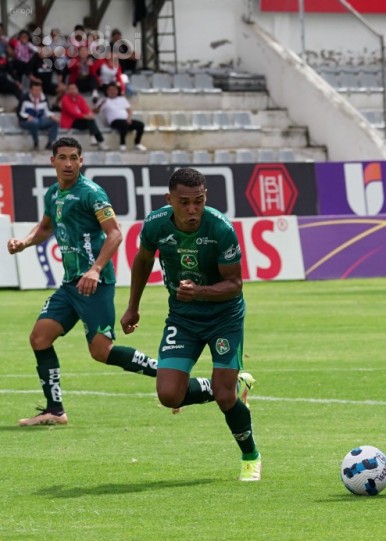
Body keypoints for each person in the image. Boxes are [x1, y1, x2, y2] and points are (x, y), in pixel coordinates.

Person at [6, 137, 162, 426]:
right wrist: (24, 242)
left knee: (101, 352)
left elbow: (115, 234)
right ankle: (55, 410)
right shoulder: (53, 194)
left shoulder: (92, 193)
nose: (68, 163)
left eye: (74, 157)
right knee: (39, 338)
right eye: (62, 157)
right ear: (52, 161)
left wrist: (95, 269)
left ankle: (166, 373)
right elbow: (46, 227)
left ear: (81, 161)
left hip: (95, 283)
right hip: (70, 285)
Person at [120, 167, 262, 482]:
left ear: (205, 198)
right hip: (183, 319)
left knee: (226, 400)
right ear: (169, 199)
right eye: (184, 202)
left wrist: (198, 292)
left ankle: (250, 455)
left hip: (224, 318)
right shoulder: (156, 225)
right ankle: (232, 385)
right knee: (169, 395)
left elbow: (235, 284)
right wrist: (133, 307)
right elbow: (143, 260)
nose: (192, 209)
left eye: (198, 201)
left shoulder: (220, 228)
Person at [96, 83, 146, 151]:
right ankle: (122, 144)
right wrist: (100, 105)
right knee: (123, 124)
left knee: (140, 125)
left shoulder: (122, 99)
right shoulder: (104, 100)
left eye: (114, 90)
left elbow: (129, 110)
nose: (112, 92)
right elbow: (95, 111)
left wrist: (129, 118)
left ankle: (137, 143)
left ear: (117, 91)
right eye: (110, 90)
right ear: (106, 91)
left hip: (126, 120)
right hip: (114, 121)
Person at [60, 82, 108, 150]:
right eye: (71, 88)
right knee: (91, 120)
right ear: (68, 90)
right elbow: (72, 112)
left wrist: (90, 114)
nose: (73, 90)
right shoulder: (65, 99)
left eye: (74, 88)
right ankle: (100, 142)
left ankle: (93, 137)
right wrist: (85, 116)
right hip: (71, 122)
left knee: (91, 120)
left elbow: (86, 109)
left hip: (81, 120)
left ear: (77, 89)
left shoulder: (80, 98)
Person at [17, 81, 59, 150]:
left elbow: (47, 111)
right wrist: (27, 117)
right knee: (34, 122)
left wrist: (52, 116)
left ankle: (51, 143)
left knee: (54, 122)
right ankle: (36, 143)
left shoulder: (44, 98)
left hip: (39, 120)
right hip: (25, 121)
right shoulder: (24, 98)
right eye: (35, 90)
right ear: (31, 90)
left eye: (39, 90)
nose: (37, 92)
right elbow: (19, 112)